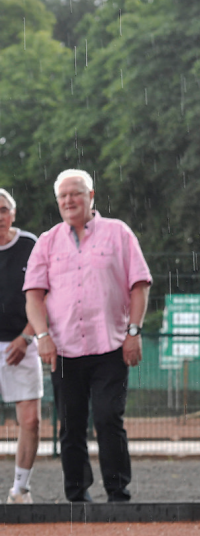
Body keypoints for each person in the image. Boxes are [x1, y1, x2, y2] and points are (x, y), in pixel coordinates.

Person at [24, 169, 152, 503]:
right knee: (71, 424)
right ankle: (77, 495)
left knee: (109, 417)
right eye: (63, 196)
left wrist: (134, 332)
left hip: (110, 344)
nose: (69, 200)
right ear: (57, 202)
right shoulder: (47, 241)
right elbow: (33, 297)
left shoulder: (118, 233)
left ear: (91, 196)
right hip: (63, 348)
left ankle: (117, 491)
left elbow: (138, 285)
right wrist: (42, 336)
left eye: (76, 193)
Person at [0, 189, 42, 504]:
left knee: (30, 420)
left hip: (22, 342)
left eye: (3, 210)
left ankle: (20, 489)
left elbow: (46, 295)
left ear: (13, 213)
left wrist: (27, 336)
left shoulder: (31, 245)